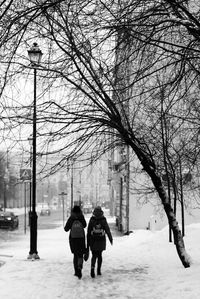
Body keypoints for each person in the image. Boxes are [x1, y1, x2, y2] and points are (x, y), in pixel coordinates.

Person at [87, 206, 113, 278]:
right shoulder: (103, 219)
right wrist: (110, 238)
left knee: (94, 255)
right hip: (101, 240)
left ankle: (92, 269)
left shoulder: (92, 219)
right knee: (100, 255)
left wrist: (88, 242)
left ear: (94, 212)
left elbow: (88, 231)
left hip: (93, 240)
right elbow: (107, 229)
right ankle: (98, 270)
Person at [64, 205, 87, 279]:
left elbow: (66, 229)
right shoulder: (81, 216)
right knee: (80, 254)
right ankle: (80, 267)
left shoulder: (72, 217)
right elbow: (84, 225)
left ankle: (76, 271)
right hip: (81, 238)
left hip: (73, 239)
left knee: (75, 255)